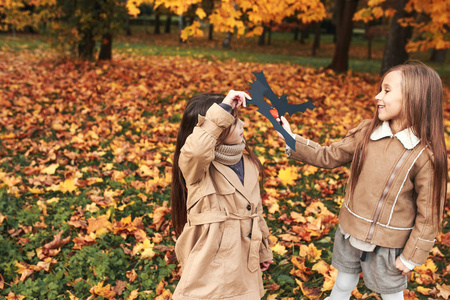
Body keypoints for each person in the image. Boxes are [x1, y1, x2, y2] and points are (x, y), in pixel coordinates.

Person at [276, 62, 447, 300]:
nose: (378, 96)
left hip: (389, 245)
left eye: (387, 91)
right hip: (351, 231)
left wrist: (411, 256)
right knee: (343, 282)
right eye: (380, 89)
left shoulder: (424, 156)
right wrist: (291, 138)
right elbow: (329, 155)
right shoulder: (367, 133)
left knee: (392, 294)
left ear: (413, 98)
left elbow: (428, 214)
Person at [171, 90, 273, 300]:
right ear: (215, 129)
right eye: (233, 122)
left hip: (244, 258)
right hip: (211, 260)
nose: (242, 125)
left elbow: (256, 211)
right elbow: (197, 150)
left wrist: (263, 249)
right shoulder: (198, 168)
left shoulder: (248, 163)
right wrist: (223, 109)